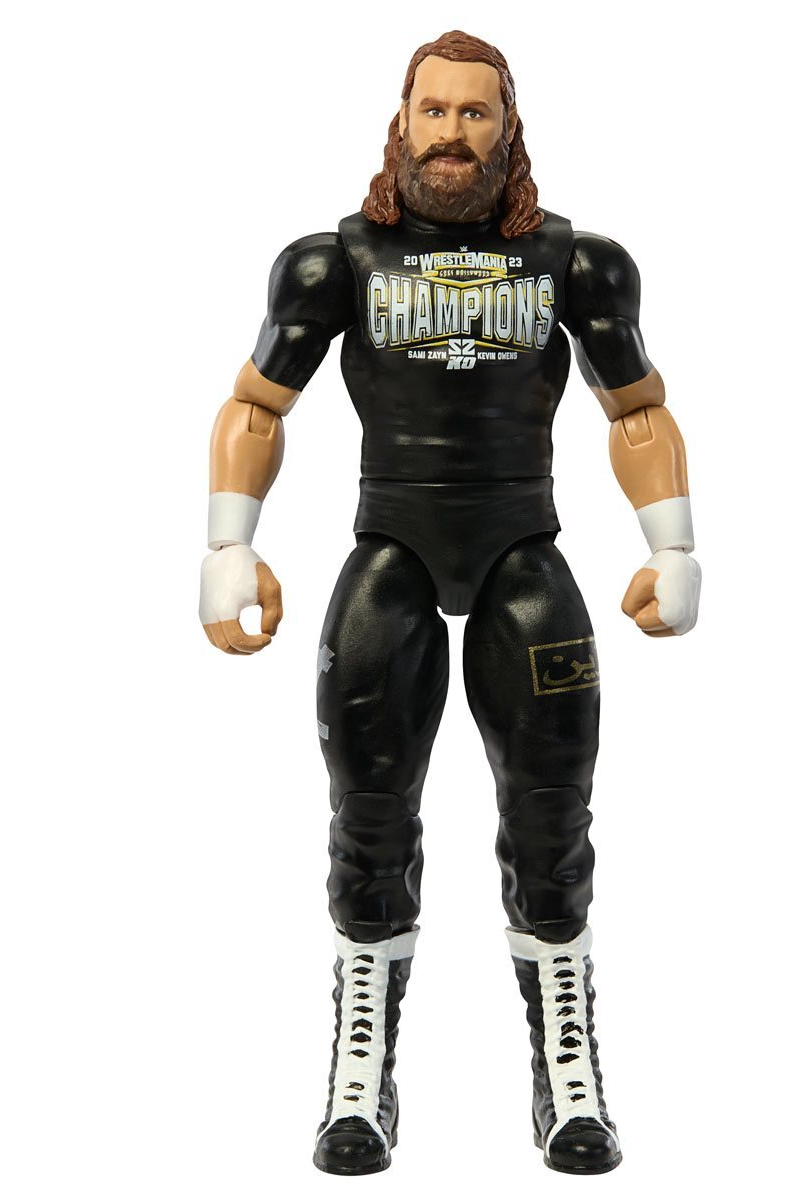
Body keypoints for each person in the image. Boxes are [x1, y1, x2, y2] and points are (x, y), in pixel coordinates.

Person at [197, 30, 701, 1176]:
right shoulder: (336, 261)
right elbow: (257, 405)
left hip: (524, 548)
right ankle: (359, 1077)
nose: (453, 135)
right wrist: (230, 541)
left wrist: (672, 543)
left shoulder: (575, 263)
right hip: (395, 552)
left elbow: (636, 409)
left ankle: (568, 1075)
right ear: (403, 120)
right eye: (436, 111)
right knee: (368, 820)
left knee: (552, 823)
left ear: (508, 127)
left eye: (477, 114)